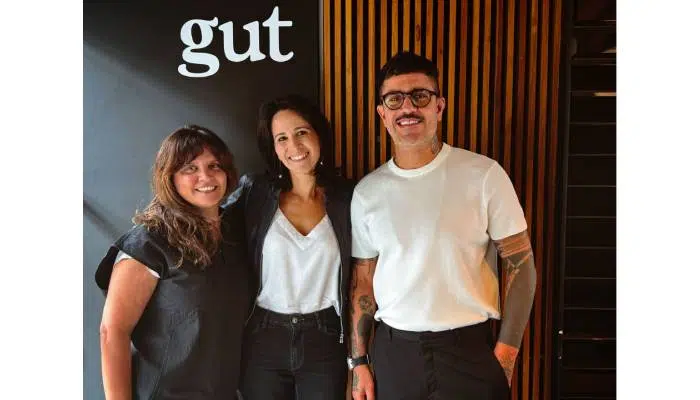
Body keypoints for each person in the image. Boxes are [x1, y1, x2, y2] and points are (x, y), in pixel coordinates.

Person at [348, 52, 537, 400]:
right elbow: (363, 282)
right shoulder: (367, 192)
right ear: (382, 113)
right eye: (394, 99)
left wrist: (505, 357)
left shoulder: (484, 175)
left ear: (439, 106)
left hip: (469, 351)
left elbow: (522, 266)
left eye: (420, 96)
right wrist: (358, 360)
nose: (408, 107)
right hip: (394, 354)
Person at [95, 125, 251, 399]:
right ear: (169, 177)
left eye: (214, 166)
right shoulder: (150, 243)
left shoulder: (235, 235)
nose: (206, 176)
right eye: (190, 168)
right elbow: (112, 332)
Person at [230, 94, 354, 399]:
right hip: (263, 335)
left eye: (301, 132)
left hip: (325, 336)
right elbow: (206, 223)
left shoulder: (348, 198)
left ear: (319, 134)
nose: (294, 146)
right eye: (281, 138)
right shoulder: (255, 193)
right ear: (273, 147)